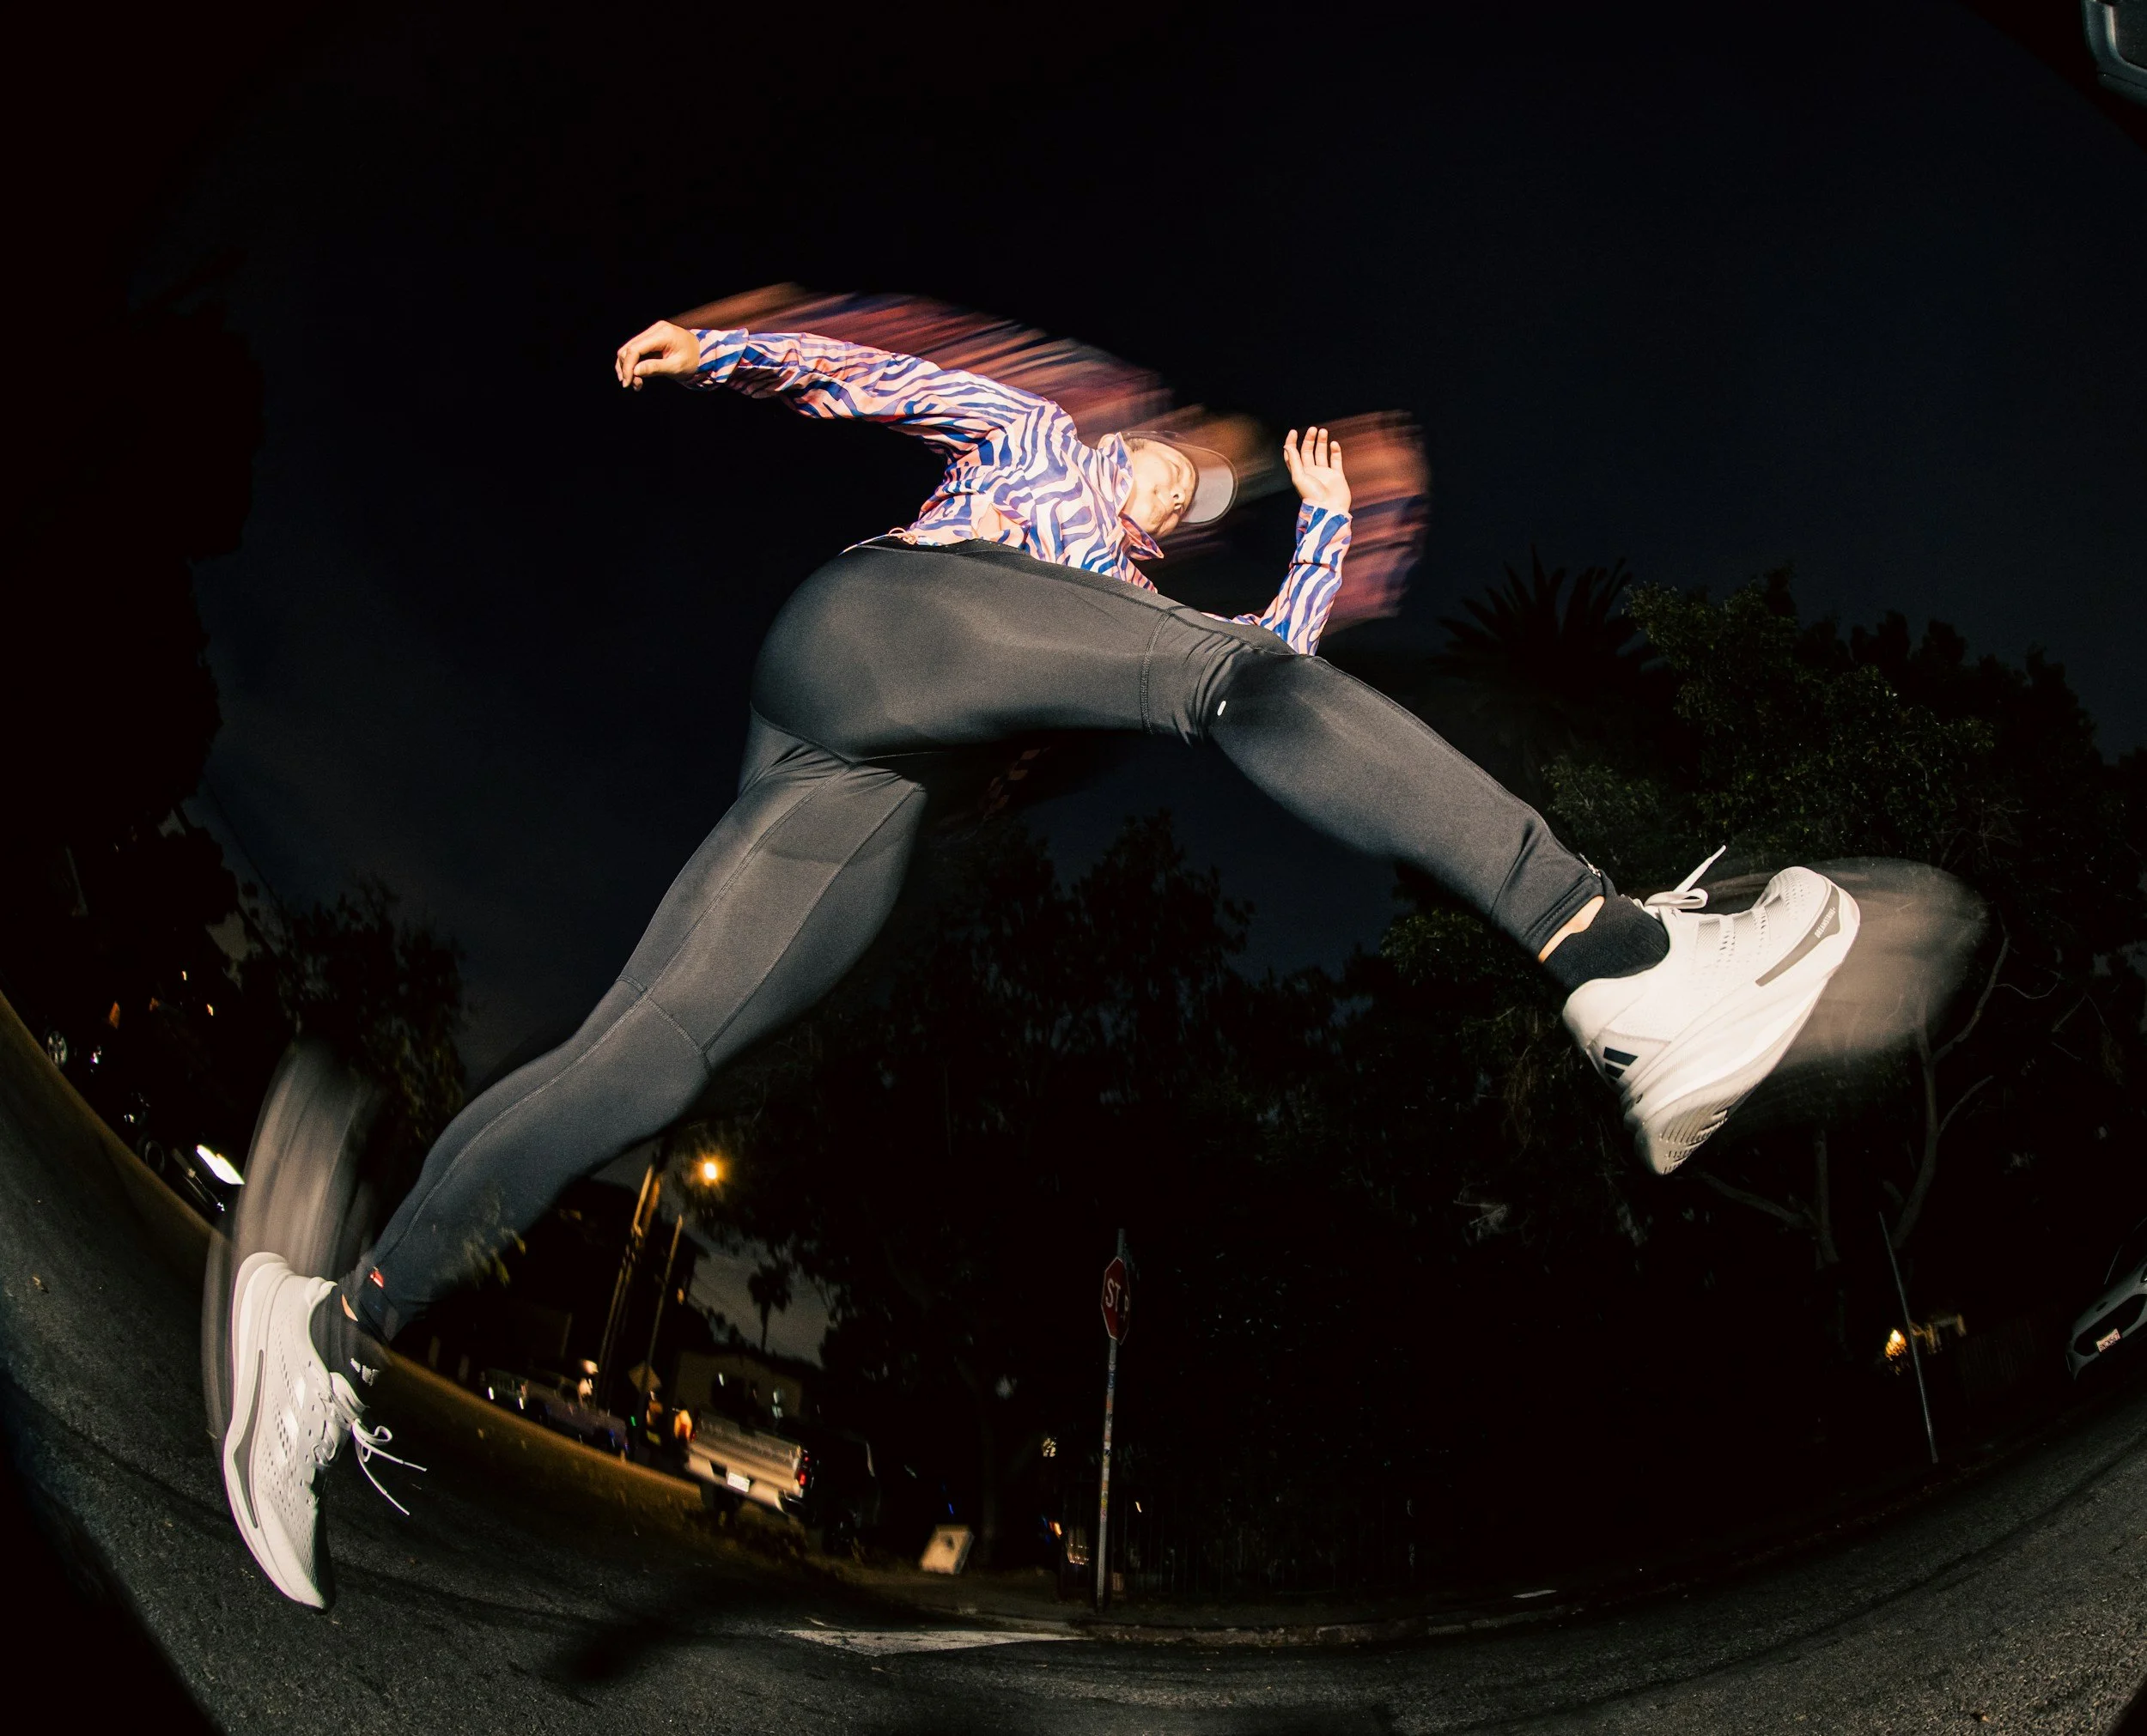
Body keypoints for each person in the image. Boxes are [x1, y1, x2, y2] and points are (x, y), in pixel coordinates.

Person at [220, 314, 1861, 1606]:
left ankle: (327, 1332)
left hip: (853, 793)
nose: (1161, 500)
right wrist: (724, 349)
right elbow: (898, 378)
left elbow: (1272, 680)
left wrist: (1324, 531)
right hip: (877, 622)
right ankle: (1623, 953)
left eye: (1186, 509)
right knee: (1200, 677)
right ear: (1130, 443)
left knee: (647, 1059)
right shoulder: (1044, 449)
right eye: (1163, 472)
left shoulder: (1130, 607)